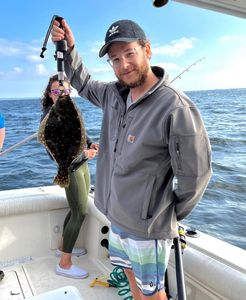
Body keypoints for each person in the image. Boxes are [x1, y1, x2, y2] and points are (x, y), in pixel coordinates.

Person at [51, 19, 212, 299]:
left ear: (147, 49)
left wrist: (161, 214)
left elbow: (195, 177)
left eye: (129, 53)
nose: (123, 65)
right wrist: (70, 48)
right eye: (115, 59)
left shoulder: (176, 107)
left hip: (146, 229)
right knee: (132, 283)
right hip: (115, 218)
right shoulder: (113, 95)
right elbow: (84, 82)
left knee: (152, 294)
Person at [41, 74, 99, 279]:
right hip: (71, 167)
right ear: (50, 95)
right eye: (56, 91)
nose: (61, 94)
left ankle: (62, 247)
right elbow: (56, 151)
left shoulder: (71, 109)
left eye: (64, 91)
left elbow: (80, 131)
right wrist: (84, 154)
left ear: (70, 92)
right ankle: (64, 264)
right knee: (81, 212)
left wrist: (90, 143)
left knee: (75, 208)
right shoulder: (51, 117)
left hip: (81, 165)